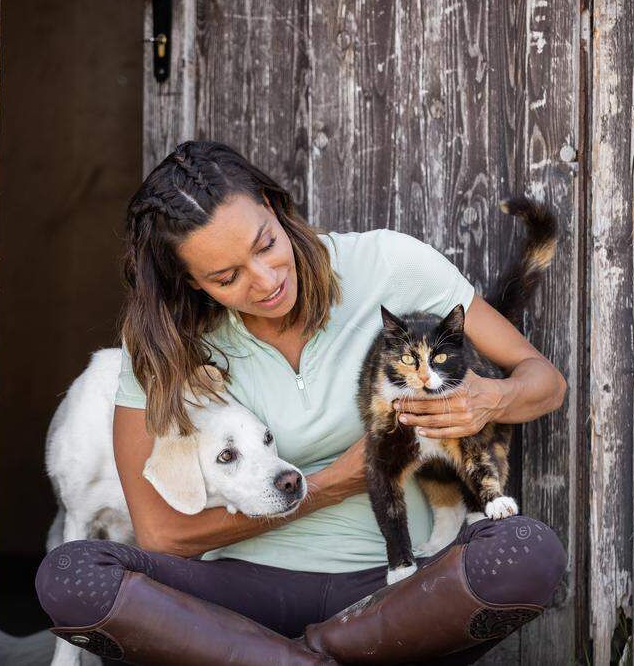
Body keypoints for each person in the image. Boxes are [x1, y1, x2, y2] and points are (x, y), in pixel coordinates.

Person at [34, 140, 568, 665]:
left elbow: (544, 382)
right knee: (73, 575)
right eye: (226, 277)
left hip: (398, 590)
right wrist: (336, 482)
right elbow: (163, 536)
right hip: (231, 598)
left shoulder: (389, 264)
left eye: (265, 245)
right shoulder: (163, 342)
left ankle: (302, 658)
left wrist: (490, 398)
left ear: (273, 206)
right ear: (190, 284)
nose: (265, 281)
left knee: (528, 553)